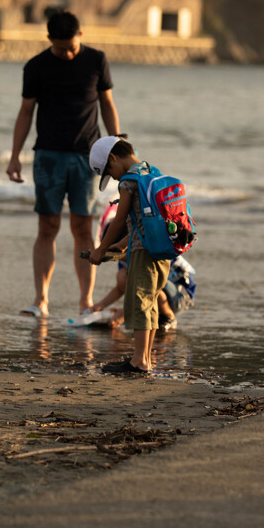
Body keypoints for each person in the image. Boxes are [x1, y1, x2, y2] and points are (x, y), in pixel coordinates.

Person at [7, 11, 120, 318]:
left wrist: (117, 147)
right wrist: (15, 155)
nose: (68, 54)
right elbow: (25, 112)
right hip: (48, 156)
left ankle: (85, 302)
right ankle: (40, 300)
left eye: (71, 47)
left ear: (80, 35)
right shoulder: (36, 66)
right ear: (49, 40)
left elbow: (107, 104)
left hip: (87, 157)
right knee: (47, 227)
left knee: (83, 228)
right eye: (61, 49)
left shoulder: (96, 60)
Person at [88, 134, 173, 375]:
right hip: (161, 247)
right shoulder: (151, 171)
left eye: (109, 171)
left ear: (113, 158)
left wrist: (101, 249)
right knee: (150, 301)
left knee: (139, 302)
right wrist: (124, 244)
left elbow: (119, 220)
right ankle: (144, 358)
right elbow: (143, 219)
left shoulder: (128, 181)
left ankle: (139, 362)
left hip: (143, 252)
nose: (113, 177)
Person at [89, 201, 195, 331]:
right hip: (160, 290)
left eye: (115, 252)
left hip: (180, 294)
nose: (116, 258)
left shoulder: (146, 252)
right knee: (124, 277)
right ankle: (157, 314)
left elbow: (150, 285)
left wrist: (125, 313)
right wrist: (99, 306)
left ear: (126, 245)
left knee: (141, 280)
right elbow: (120, 289)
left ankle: (168, 316)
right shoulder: (125, 260)